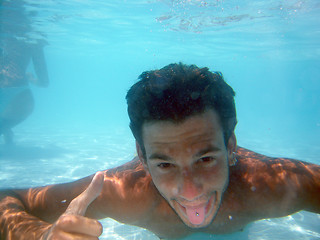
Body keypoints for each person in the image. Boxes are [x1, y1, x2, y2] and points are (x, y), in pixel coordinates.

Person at [0, 63, 319, 239]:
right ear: (141, 155)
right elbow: (6, 199)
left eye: (205, 158)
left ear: (231, 143)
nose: (190, 189)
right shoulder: (123, 193)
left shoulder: (271, 185)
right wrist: (40, 236)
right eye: (165, 164)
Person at [0, 0, 49, 144]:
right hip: (21, 101)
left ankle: (6, 130)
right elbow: (44, 82)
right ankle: (6, 130)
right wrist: (32, 79)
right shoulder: (32, 37)